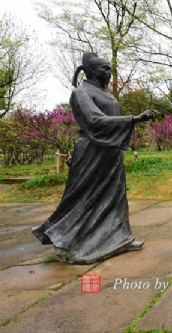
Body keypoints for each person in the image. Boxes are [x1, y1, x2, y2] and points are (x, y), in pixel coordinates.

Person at [32, 52, 157, 264]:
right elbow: (94, 121)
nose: (109, 73)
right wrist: (134, 119)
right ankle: (67, 241)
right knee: (84, 198)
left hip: (111, 153)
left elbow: (109, 119)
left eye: (109, 69)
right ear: (90, 71)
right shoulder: (81, 92)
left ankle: (120, 239)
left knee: (115, 197)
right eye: (104, 68)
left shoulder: (104, 93)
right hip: (92, 152)